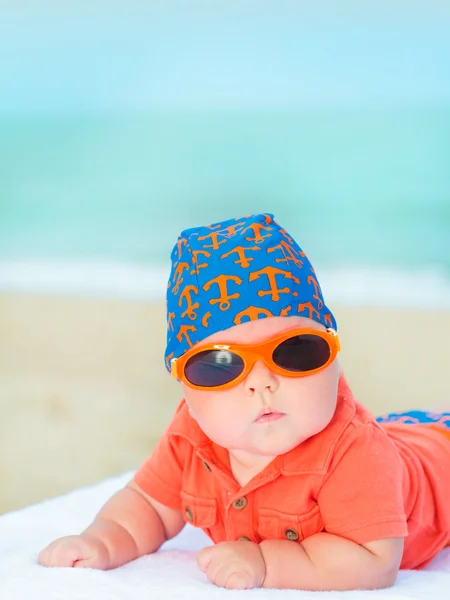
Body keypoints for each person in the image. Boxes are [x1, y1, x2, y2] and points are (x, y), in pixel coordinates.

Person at [38, 212, 450, 591]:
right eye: (219, 365)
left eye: (295, 351)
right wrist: (104, 542)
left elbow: (372, 561)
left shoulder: (355, 451)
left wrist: (266, 563)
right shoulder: (192, 436)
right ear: (185, 386)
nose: (262, 384)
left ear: (335, 361)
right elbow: (149, 505)